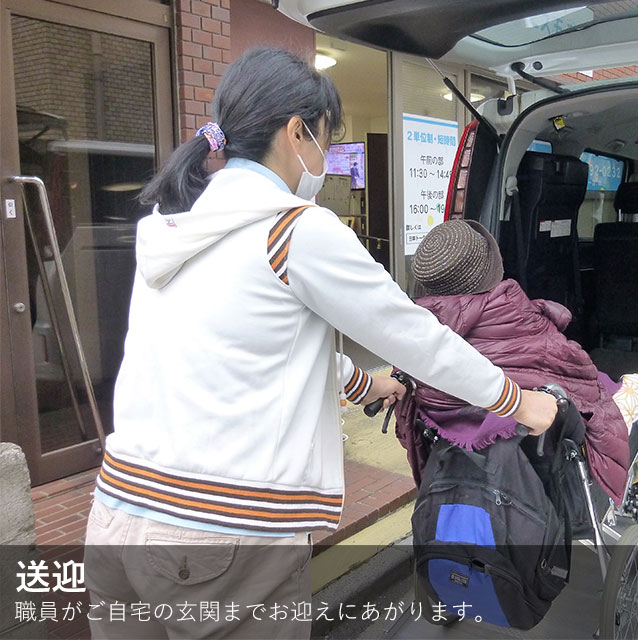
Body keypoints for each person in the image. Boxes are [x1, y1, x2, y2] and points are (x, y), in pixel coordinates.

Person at [82, 47, 558, 639]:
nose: (325, 160)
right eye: (325, 141)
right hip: (219, 536)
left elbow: (255, 348)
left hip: (116, 515)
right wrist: (519, 402)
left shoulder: (174, 229)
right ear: (295, 132)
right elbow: (416, 338)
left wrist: (366, 384)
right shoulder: (292, 229)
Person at [393, 219, 633, 506]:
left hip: (458, 453)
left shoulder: (414, 339)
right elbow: (581, 374)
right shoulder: (519, 317)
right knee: (625, 389)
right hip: (533, 450)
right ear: (490, 269)